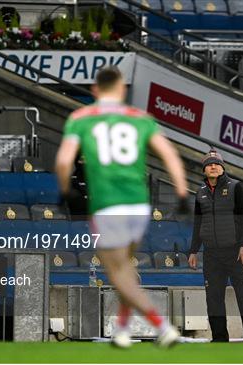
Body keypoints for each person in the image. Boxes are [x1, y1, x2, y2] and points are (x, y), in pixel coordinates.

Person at [55, 67, 188, 348]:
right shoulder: (141, 119)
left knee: (115, 271)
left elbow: (65, 161)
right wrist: (181, 193)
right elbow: (170, 155)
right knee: (125, 268)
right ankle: (123, 330)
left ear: (94, 90)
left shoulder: (81, 118)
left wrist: (66, 190)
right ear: (122, 89)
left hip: (107, 204)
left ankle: (162, 326)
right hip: (139, 204)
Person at [187, 149, 243, 342]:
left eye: (216, 164)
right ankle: (219, 339)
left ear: (222, 168)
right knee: (213, 298)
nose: (213, 166)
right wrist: (193, 250)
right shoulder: (200, 192)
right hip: (211, 254)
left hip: (236, 252)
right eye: (209, 164)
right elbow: (198, 223)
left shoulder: (236, 187)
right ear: (204, 170)